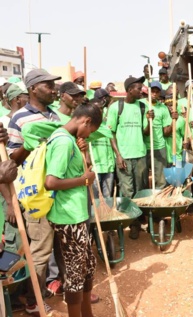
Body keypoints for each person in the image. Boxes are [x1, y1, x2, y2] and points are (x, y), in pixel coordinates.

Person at [7, 69, 63, 315]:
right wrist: (31, 146)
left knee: (60, 246)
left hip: (60, 191)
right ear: (33, 89)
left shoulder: (55, 116)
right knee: (40, 252)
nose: (54, 89)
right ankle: (33, 301)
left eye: (53, 85)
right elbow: (9, 162)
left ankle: (61, 287)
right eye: (48, 85)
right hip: (35, 194)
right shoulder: (19, 119)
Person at [45, 103, 102, 317]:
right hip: (67, 216)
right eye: (91, 131)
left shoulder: (72, 141)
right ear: (86, 121)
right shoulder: (62, 142)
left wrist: (83, 153)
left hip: (77, 214)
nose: (89, 135)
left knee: (87, 266)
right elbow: (50, 182)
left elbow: (77, 168)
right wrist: (83, 180)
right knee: (75, 274)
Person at [106, 76, 154, 239]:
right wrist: (118, 155)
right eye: (138, 88)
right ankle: (133, 224)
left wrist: (149, 121)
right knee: (127, 190)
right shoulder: (116, 107)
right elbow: (110, 133)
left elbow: (145, 132)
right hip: (124, 156)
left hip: (140, 154)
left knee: (141, 191)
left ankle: (140, 219)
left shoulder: (142, 106)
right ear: (129, 89)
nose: (141, 90)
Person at [143, 81, 173, 190]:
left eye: (157, 91)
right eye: (152, 91)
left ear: (160, 93)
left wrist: (174, 121)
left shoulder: (163, 108)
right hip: (143, 147)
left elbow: (166, 132)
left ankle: (160, 201)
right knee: (143, 178)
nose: (154, 94)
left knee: (161, 180)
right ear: (148, 91)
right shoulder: (141, 104)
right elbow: (144, 132)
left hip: (159, 146)